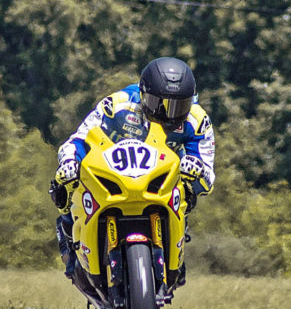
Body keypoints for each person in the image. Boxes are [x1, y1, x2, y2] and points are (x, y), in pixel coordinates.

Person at [49, 57, 216, 287]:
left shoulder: (198, 121)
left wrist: (197, 169)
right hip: (116, 169)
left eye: (179, 105)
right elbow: (79, 138)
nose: (169, 114)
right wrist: (69, 161)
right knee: (67, 188)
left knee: (188, 195)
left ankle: (174, 256)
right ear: (143, 93)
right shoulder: (117, 104)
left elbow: (208, 177)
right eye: (160, 104)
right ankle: (72, 253)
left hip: (162, 180)